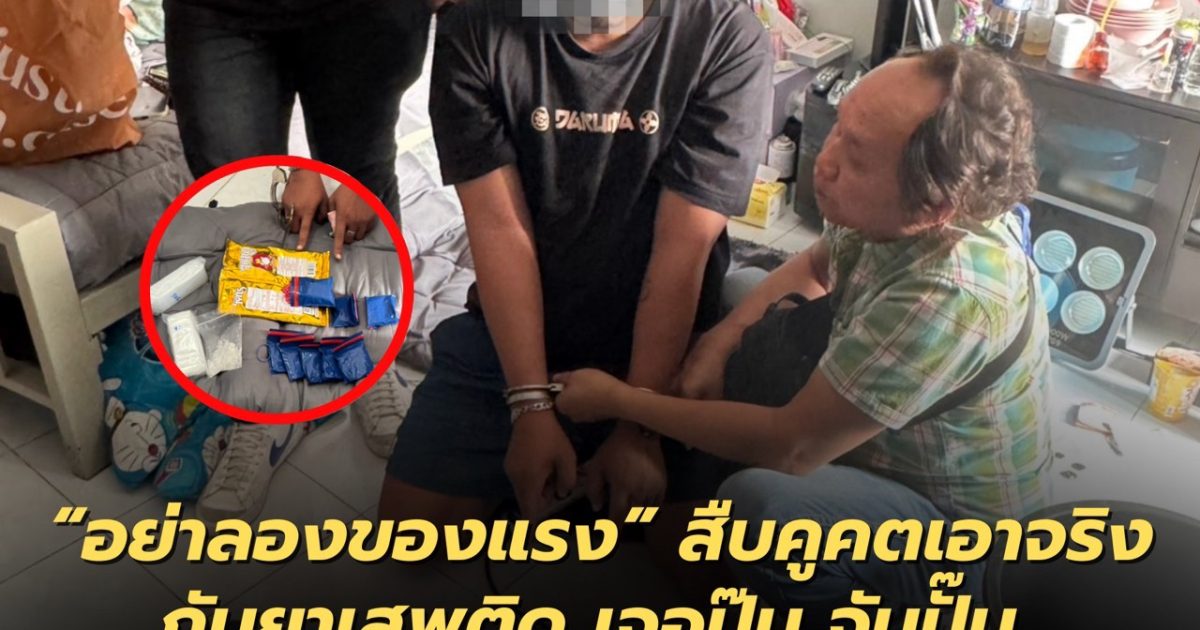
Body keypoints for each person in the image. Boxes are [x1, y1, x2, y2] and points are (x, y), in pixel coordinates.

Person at [552, 45, 1054, 608]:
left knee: (762, 504)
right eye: (840, 126)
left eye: (857, 158)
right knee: (743, 293)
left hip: (955, 532)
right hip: (881, 433)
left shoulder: (950, 294)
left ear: (934, 207)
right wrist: (718, 342)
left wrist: (625, 402)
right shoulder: (891, 209)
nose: (825, 160)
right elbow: (818, 265)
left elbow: (792, 447)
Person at [379, 0, 772, 523]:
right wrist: (529, 403)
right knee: (408, 531)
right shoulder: (476, 26)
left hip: (665, 337)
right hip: (522, 328)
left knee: (688, 548)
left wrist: (639, 424)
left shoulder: (724, 36)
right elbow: (500, 229)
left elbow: (682, 253)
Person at [164, 0, 432, 251]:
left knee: (361, 186)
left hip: (362, 11)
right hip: (217, 11)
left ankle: (376, 285)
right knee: (235, 194)